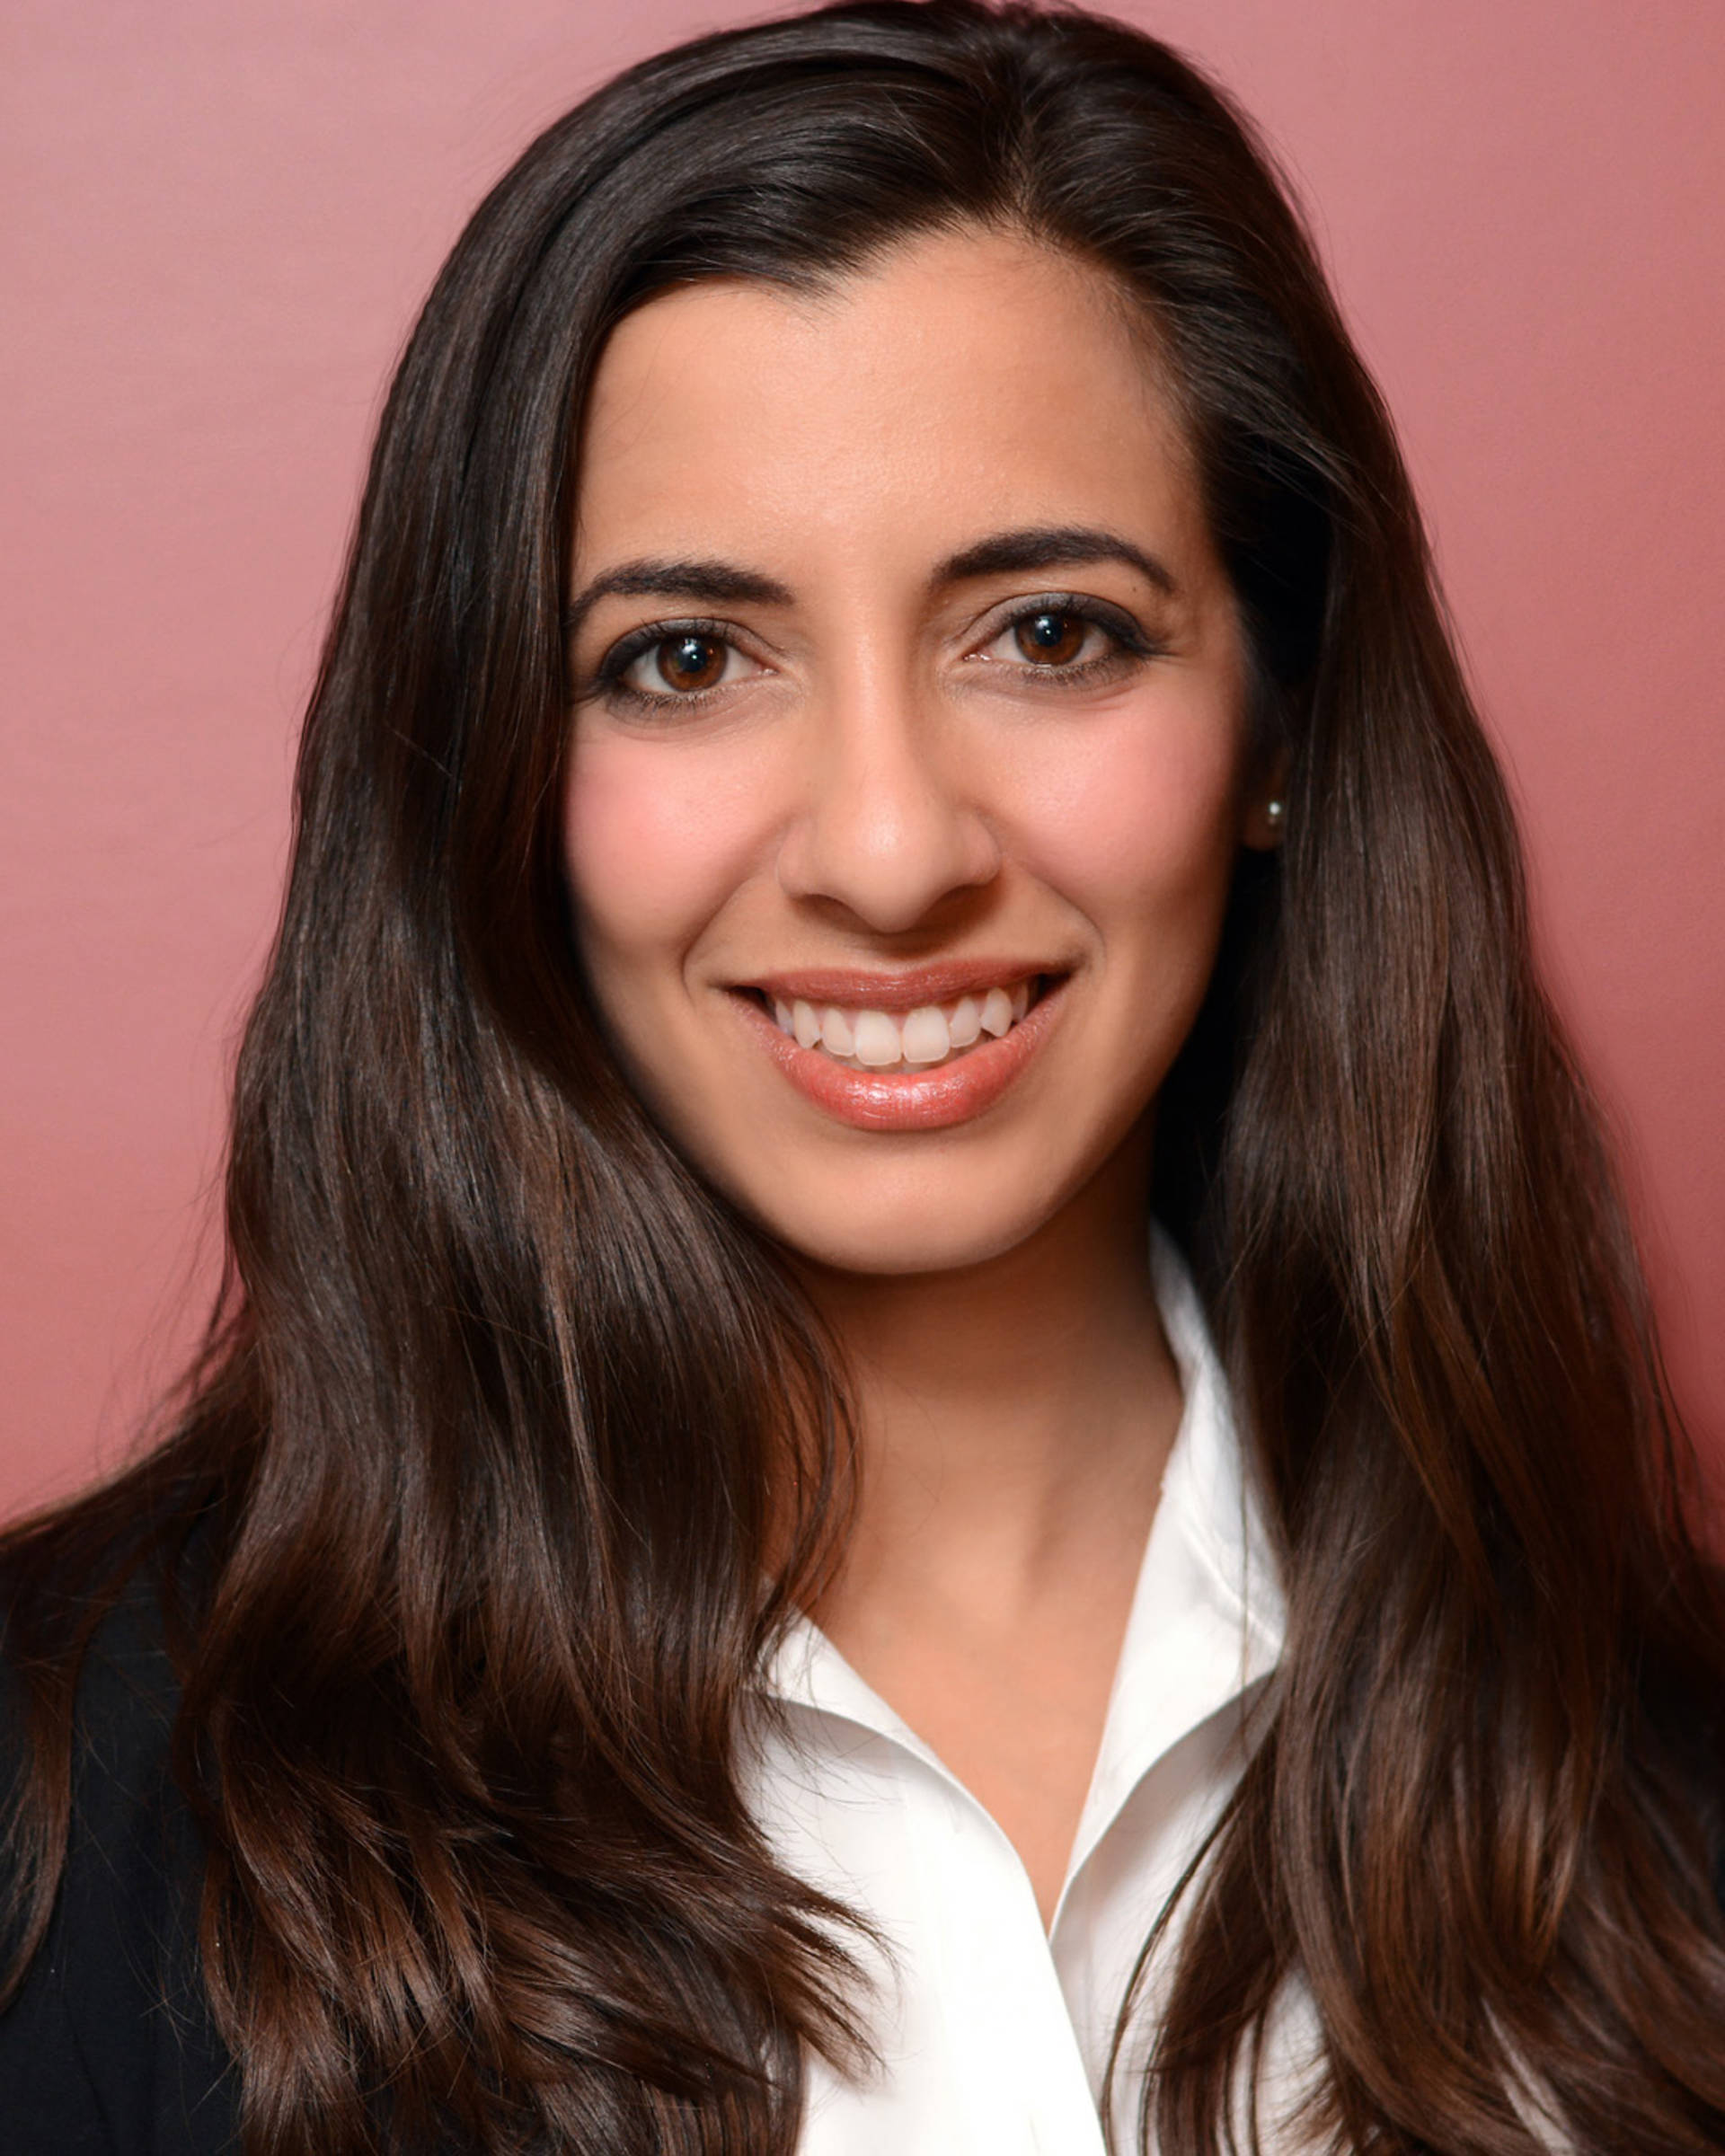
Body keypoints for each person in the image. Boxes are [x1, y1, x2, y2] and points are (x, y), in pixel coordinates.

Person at [3, 0, 1721, 2150]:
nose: (893, 853)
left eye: (1051, 632)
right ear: (497, 781)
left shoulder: (1661, 1780)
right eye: (688, 661)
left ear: (1280, 726)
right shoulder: (54, 1800)